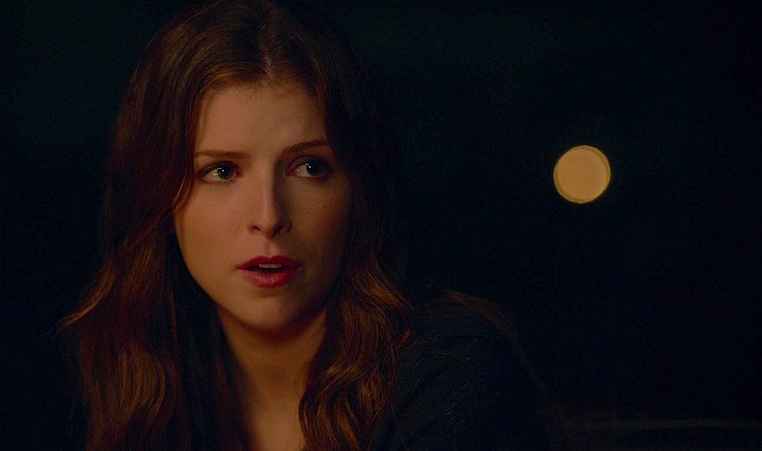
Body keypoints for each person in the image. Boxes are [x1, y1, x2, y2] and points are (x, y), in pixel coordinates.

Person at [63, 1, 558, 449]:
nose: (269, 218)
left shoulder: (446, 371)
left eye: (309, 167)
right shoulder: (141, 378)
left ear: (358, 189)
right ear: (159, 200)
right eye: (222, 171)